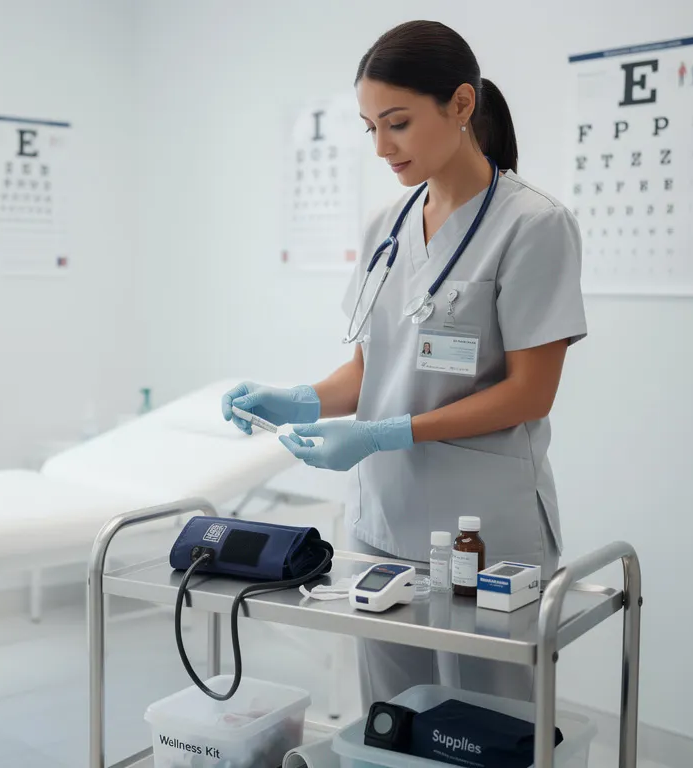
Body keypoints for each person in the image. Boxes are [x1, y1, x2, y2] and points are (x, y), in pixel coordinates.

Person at [221, 20, 585, 707]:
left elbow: (530, 394)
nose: (383, 148)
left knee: (486, 725)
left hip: (483, 534)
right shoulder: (385, 225)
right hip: (382, 523)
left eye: (398, 123)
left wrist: (386, 432)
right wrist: (295, 399)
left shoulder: (534, 226)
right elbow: (370, 371)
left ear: (461, 105)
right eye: (370, 129)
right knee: (391, 720)